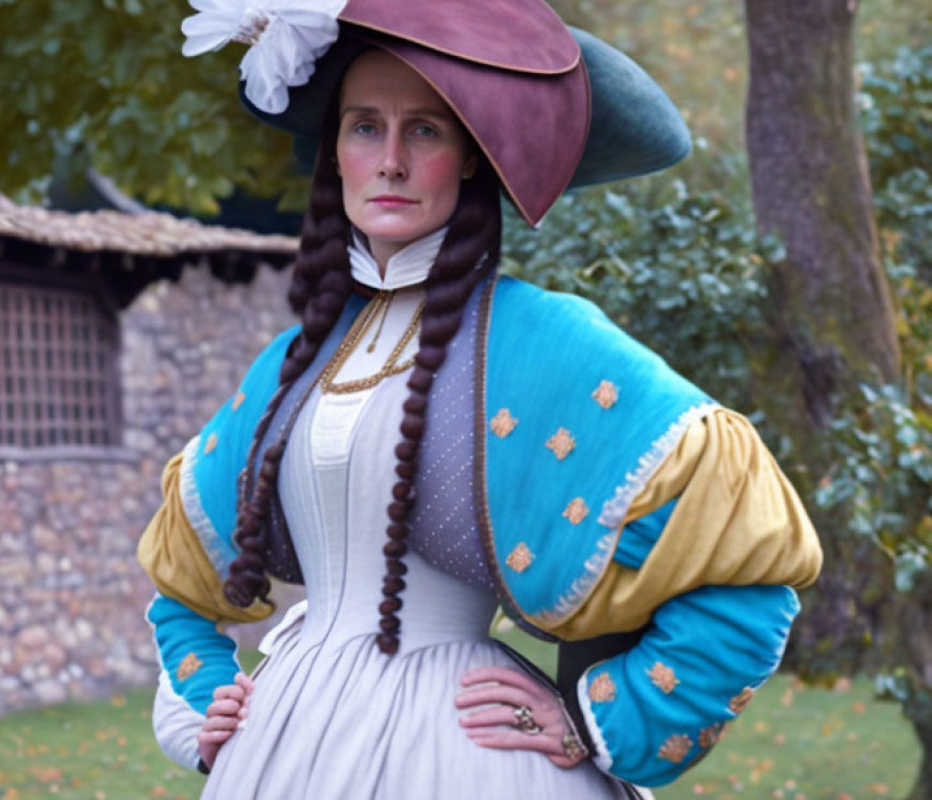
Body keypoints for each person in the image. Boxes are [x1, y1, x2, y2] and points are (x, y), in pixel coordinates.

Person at [137, 1, 823, 797]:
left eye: (424, 130)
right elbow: (180, 583)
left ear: (469, 155)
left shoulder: (549, 343)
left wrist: (599, 719)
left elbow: (747, 569)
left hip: (464, 752)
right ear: (335, 151)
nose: (389, 160)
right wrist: (204, 705)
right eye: (365, 127)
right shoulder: (290, 367)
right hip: (280, 746)